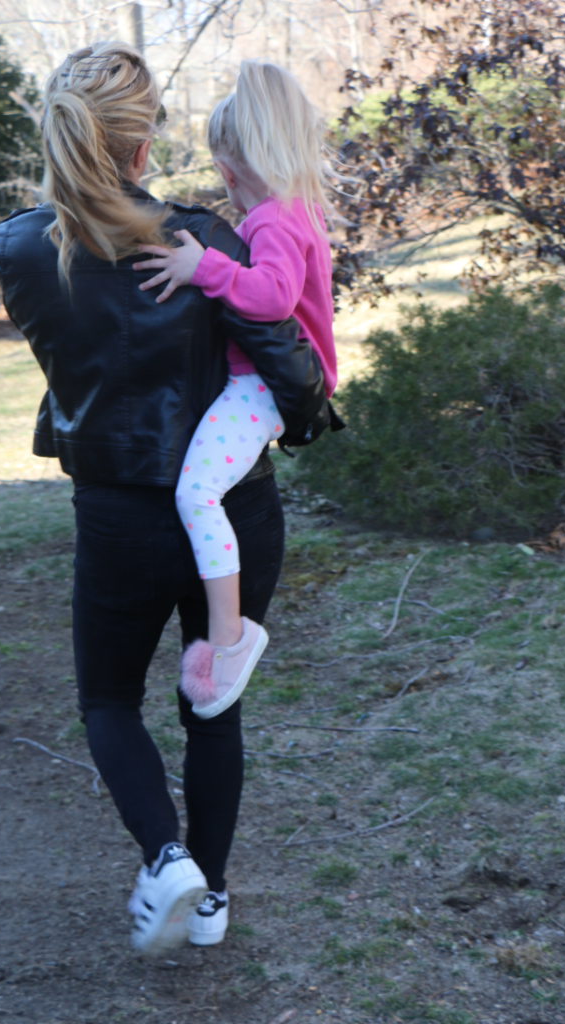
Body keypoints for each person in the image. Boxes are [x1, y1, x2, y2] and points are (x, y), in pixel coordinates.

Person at [0, 43, 332, 956]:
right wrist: (296, 417)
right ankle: (210, 897)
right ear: (143, 147)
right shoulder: (206, 240)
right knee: (213, 706)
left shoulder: (19, 247)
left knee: (108, 699)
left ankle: (166, 854)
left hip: (117, 517)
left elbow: (74, 353)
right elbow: (294, 380)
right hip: (234, 508)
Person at [133, 61, 337, 721]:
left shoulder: (276, 219)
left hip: (263, 388)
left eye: (225, 167)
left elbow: (274, 297)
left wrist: (204, 267)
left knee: (197, 492)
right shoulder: (293, 208)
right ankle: (224, 631)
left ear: (239, 162)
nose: (223, 181)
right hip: (261, 383)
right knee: (201, 488)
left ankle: (229, 637)